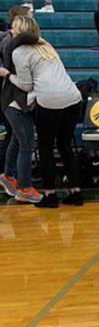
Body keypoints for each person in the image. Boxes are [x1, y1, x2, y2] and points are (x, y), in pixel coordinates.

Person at [0, 17, 82, 207]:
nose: (10, 31)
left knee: (45, 148)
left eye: (12, 28)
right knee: (65, 146)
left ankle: (50, 195)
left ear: (18, 31)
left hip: (50, 100)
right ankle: (75, 193)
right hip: (73, 96)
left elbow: (27, 85)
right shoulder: (46, 44)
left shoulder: (19, 51)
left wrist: (8, 75)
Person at [0, 13, 40, 203]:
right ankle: (25, 187)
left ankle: (8, 176)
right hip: (14, 100)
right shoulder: (13, 46)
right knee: (27, 144)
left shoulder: (21, 46)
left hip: (17, 99)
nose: (10, 28)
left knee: (17, 140)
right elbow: (25, 83)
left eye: (14, 26)